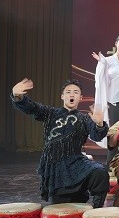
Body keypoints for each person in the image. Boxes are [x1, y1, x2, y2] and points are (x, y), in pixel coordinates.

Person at [11, 78, 109, 208]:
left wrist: (99, 124)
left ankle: (97, 210)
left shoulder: (85, 118)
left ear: (80, 98)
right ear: (62, 96)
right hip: (56, 169)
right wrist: (18, 96)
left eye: (76, 92)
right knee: (62, 209)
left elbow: (97, 136)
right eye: (68, 92)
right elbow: (32, 108)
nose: (72, 94)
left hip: (77, 163)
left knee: (100, 172)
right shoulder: (50, 113)